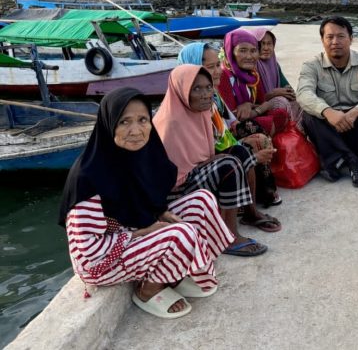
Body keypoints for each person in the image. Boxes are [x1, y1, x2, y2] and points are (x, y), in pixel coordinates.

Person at [60, 88, 234, 319]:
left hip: (131, 232)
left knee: (202, 201)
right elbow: (88, 252)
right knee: (181, 234)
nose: (136, 130)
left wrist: (160, 213)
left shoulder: (139, 154)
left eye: (143, 120)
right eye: (124, 122)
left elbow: (146, 198)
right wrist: (140, 232)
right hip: (100, 261)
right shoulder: (88, 177)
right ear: (109, 124)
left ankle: (176, 273)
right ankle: (148, 290)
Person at [154, 65, 270, 257]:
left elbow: (204, 155)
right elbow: (174, 179)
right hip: (175, 193)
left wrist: (216, 158)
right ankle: (229, 237)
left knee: (239, 152)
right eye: (197, 89)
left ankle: (250, 212)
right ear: (182, 90)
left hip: (194, 174)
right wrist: (216, 160)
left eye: (208, 87)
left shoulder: (200, 112)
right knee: (229, 165)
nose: (206, 94)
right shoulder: (170, 122)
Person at [177, 42, 282, 208]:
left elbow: (229, 121)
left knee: (257, 134)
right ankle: (246, 201)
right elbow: (205, 150)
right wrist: (252, 156)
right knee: (249, 144)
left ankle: (261, 194)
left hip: (221, 143)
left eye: (218, 65)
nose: (218, 71)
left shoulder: (213, 94)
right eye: (211, 67)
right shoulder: (191, 103)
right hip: (205, 162)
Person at [296, 16, 358, 187]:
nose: (335, 42)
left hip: (356, 131)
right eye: (329, 37)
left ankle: (333, 160)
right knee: (309, 115)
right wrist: (328, 112)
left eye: (341, 36)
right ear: (322, 40)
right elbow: (303, 93)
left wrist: (353, 114)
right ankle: (352, 161)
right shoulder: (311, 65)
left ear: (351, 39)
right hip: (327, 129)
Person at [217, 29, 289, 136]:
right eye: (243, 50)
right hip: (231, 127)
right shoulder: (223, 75)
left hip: (252, 118)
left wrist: (250, 106)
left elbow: (264, 102)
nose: (249, 56)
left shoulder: (253, 75)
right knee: (267, 123)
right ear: (230, 52)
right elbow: (234, 116)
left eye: (253, 51)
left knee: (281, 114)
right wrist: (259, 109)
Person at [248, 27, 304, 130]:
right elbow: (253, 100)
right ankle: (290, 129)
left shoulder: (274, 65)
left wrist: (289, 92)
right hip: (259, 109)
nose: (266, 48)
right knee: (281, 102)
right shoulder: (251, 67)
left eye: (269, 44)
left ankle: (299, 132)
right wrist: (273, 93)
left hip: (273, 104)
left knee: (300, 101)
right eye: (262, 44)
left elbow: (286, 86)